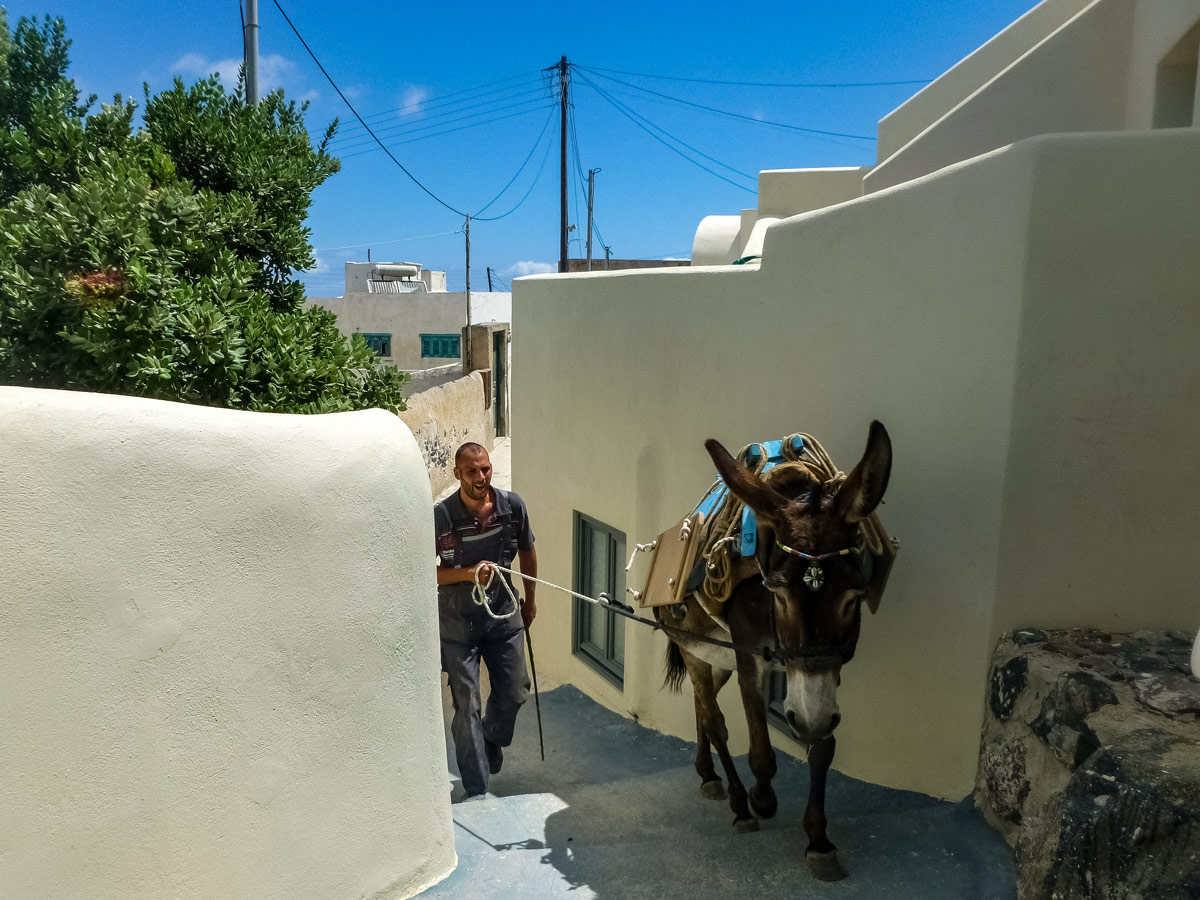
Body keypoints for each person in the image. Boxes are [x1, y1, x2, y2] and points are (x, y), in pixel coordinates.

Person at [435, 441, 537, 799]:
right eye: (473, 471)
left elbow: (527, 549)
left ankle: (492, 737)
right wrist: (466, 574)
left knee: (515, 689)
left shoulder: (512, 507)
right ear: (457, 474)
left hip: (503, 614)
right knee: (467, 704)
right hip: (457, 624)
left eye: (486, 469)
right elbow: (425, 571)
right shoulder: (441, 517)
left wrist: (531, 602)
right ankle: (476, 789)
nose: (481, 476)